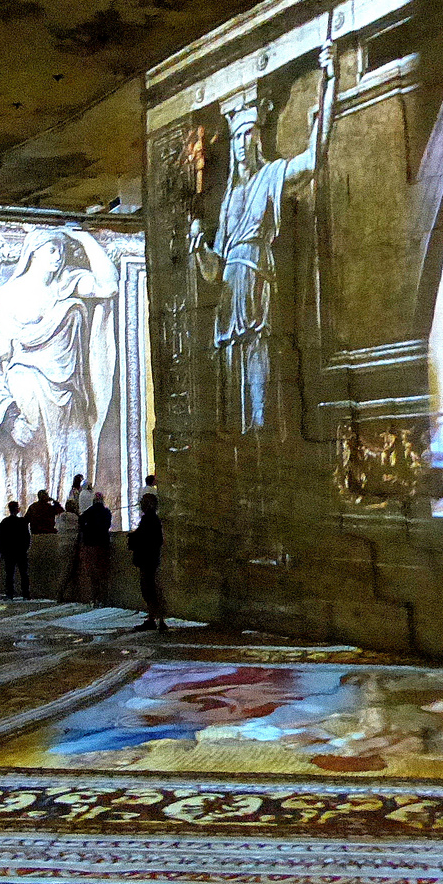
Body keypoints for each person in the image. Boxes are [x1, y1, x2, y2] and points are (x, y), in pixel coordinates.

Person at [190, 49, 334, 433]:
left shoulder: (271, 176)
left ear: (256, 139)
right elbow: (215, 270)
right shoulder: (226, 201)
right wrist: (200, 249)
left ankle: (259, 418)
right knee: (230, 350)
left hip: (256, 270)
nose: (240, 144)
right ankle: (239, 424)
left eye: (247, 135)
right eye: (236, 137)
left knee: (257, 344)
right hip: (231, 281)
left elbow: (312, 159)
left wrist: (329, 86)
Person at [0, 228, 118, 508]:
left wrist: (84, 238)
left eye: (63, 251)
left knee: (72, 469)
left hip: (68, 396)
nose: (59, 257)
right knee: (31, 471)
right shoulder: (9, 296)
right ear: (33, 250)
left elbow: (109, 285)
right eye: (52, 249)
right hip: (27, 394)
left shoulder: (68, 283)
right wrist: (9, 419)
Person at [127, 492, 167, 632]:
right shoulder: (153, 520)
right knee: (150, 588)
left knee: (149, 589)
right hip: (151, 558)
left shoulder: (149, 520)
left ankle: (155, 618)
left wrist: (134, 538)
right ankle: (156, 618)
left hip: (147, 559)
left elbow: (147, 538)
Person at [78, 491, 113, 606]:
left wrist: (87, 532)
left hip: (90, 543)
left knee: (92, 572)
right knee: (103, 571)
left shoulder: (89, 512)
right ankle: (103, 598)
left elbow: (81, 522)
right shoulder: (106, 512)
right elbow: (107, 525)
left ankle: (94, 598)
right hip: (103, 543)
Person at [0, 500, 31, 600]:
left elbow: (1, 538)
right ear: (17, 509)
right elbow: (27, 537)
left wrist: (3, 551)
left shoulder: (5, 522)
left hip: (9, 551)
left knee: (9, 574)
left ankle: (10, 593)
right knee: (23, 573)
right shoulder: (22, 522)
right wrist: (25, 548)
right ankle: (25, 593)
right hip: (20, 551)